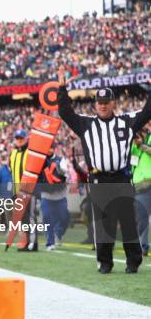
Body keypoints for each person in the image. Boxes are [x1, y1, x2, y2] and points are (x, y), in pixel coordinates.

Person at [57, 69, 150, 273]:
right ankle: (105, 263)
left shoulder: (126, 122)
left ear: (113, 103)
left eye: (106, 102)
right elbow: (65, 112)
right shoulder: (86, 124)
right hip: (98, 179)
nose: (103, 105)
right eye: (99, 103)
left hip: (122, 178)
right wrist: (62, 89)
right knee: (103, 223)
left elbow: (147, 112)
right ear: (95, 104)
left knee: (128, 222)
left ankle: (133, 262)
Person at [9, 129, 38, 251]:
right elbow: (13, 173)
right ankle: (25, 242)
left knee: (31, 217)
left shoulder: (30, 152)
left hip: (29, 190)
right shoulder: (13, 153)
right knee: (22, 218)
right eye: (17, 138)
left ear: (26, 139)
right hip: (18, 191)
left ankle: (33, 243)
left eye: (21, 138)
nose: (19, 141)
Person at [38, 144, 69, 250]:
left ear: (54, 149)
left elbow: (65, 173)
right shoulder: (40, 161)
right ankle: (50, 242)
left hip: (60, 194)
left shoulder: (60, 160)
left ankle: (58, 233)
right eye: (47, 147)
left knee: (64, 217)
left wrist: (58, 167)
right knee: (47, 218)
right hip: (46, 195)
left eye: (50, 148)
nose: (48, 150)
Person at [131, 128, 151, 257]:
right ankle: (143, 246)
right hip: (140, 188)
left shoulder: (146, 142)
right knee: (142, 219)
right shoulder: (133, 147)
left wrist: (142, 145)